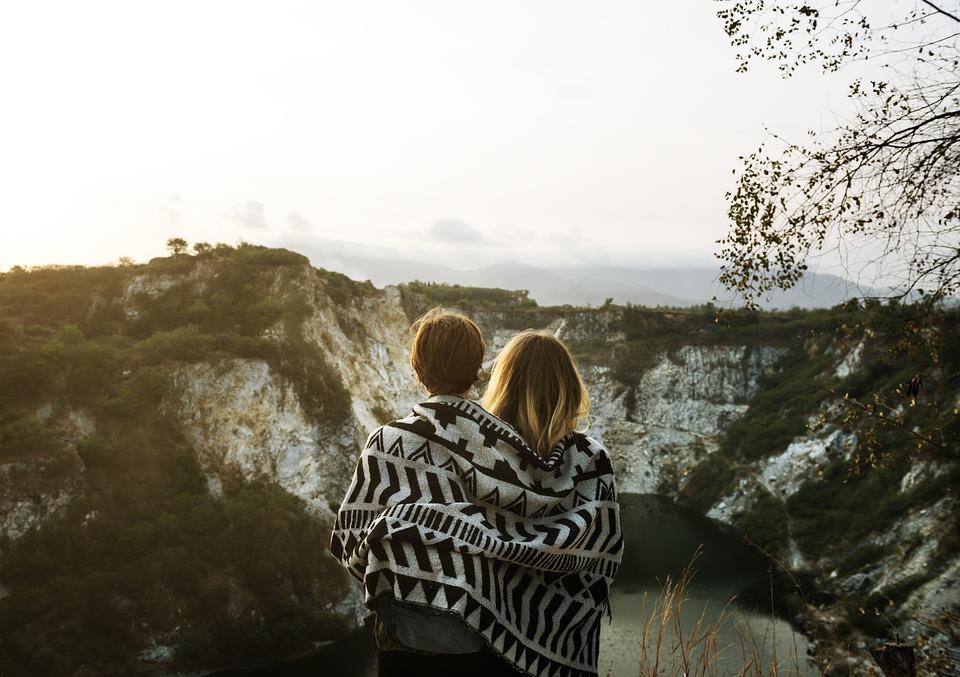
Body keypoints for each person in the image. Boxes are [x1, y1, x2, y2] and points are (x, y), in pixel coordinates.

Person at [330, 311, 622, 677]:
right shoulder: (568, 459)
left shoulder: (395, 444)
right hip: (491, 640)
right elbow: (599, 551)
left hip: (410, 632)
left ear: (416, 368)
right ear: (477, 370)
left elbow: (352, 545)